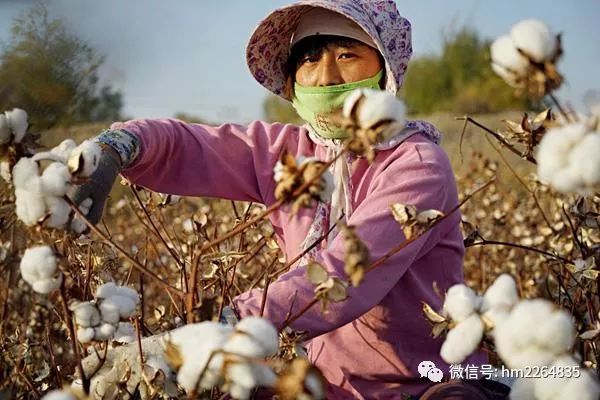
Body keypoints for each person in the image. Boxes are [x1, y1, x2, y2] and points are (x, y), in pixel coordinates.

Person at [73, 1, 510, 398]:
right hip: (330, 384)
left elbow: (341, 278)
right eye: (309, 58)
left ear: (386, 69)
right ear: (291, 80)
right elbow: (191, 145)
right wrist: (117, 147)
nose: (326, 77)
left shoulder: (416, 163)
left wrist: (218, 330)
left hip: (429, 382)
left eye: (346, 55)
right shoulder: (286, 153)